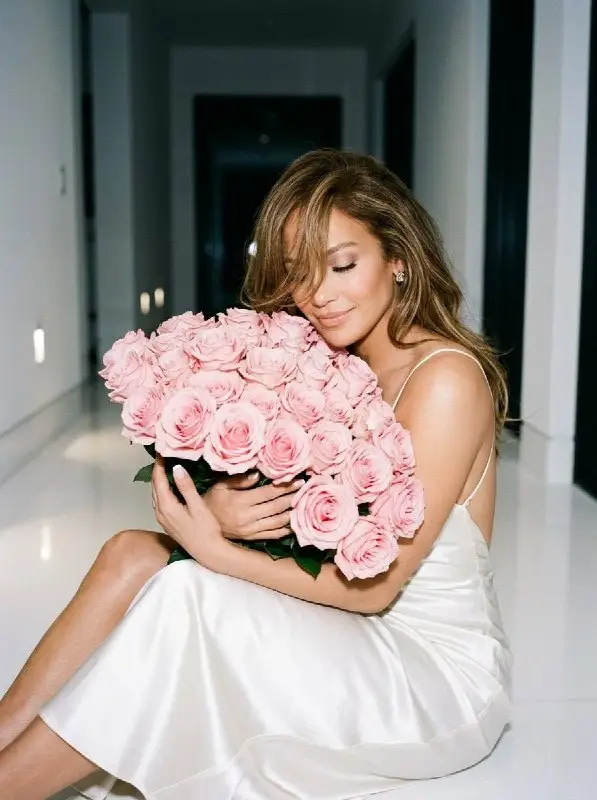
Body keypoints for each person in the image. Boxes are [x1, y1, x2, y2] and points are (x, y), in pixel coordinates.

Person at [0, 149, 512, 800]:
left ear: (398, 257)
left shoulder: (445, 381)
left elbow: (375, 590)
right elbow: (302, 528)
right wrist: (221, 513)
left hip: (428, 674)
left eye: (342, 265)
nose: (318, 295)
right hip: (347, 625)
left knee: (188, 594)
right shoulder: (333, 364)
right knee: (131, 553)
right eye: (298, 273)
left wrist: (214, 550)